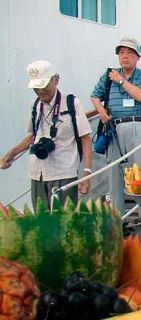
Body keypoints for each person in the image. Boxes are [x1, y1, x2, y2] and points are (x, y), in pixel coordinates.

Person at [0, 60, 92, 210]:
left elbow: (86, 139)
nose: (40, 91)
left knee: (64, 222)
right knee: (41, 221)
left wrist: (87, 173)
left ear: (56, 80)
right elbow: (31, 137)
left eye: (44, 86)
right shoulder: (35, 105)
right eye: (36, 88)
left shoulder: (72, 103)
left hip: (63, 172)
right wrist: (11, 154)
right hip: (38, 173)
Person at [91, 37, 141, 214]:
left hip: (138, 124)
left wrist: (120, 81)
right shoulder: (108, 74)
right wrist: (101, 112)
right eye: (122, 53)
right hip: (114, 127)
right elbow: (95, 95)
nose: (125, 57)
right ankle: (116, 216)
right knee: (114, 171)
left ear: (137, 57)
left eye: (129, 53)